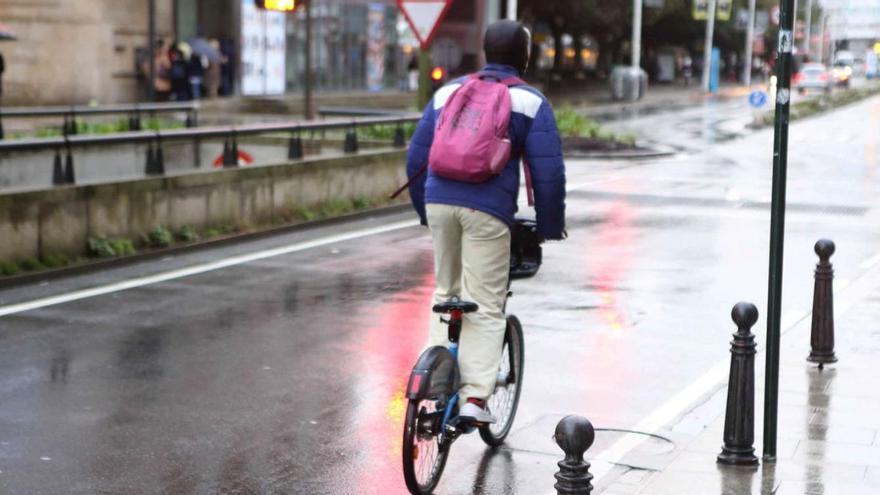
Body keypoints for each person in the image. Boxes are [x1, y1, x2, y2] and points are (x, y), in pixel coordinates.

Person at [404, 20, 566, 424]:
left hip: (439, 200)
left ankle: (437, 381)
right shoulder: (529, 101)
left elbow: (415, 158)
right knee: (485, 304)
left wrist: (427, 211)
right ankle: (475, 399)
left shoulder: (447, 92)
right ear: (524, 57)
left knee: (446, 292)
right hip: (487, 210)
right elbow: (549, 173)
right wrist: (548, 226)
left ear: (484, 51)